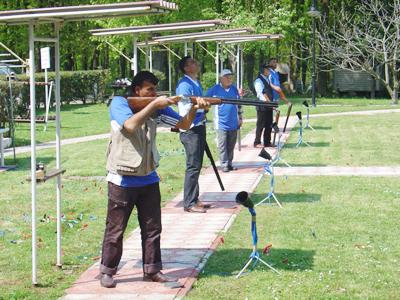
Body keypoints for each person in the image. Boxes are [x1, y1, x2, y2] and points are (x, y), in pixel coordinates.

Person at [100, 71, 209, 288]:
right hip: (122, 178)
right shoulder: (120, 103)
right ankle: (107, 271)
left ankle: (152, 270)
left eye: (155, 90)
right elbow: (129, 126)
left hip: (148, 177)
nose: (154, 94)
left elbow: (183, 125)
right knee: (116, 229)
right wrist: (154, 105)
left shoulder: (155, 107)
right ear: (136, 90)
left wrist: (196, 108)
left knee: (152, 229)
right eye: (149, 90)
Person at [176, 56, 211, 213]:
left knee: (196, 165)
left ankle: (194, 199)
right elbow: (187, 107)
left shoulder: (195, 83)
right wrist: (201, 106)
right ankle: (189, 203)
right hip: (190, 129)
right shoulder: (184, 85)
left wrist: (206, 108)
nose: (196, 63)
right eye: (191, 62)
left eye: (194, 61)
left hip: (198, 127)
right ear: (185, 68)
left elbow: (199, 105)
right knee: (192, 166)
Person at [206, 69, 243, 172]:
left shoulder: (234, 89)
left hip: (233, 122)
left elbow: (239, 104)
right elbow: (204, 101)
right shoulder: (214, 90)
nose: (229, 79)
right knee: (223, 145)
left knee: (231, 145)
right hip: (220, 123)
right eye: (227, 77)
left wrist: (240, 117)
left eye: (230, 77)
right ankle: (224, 165)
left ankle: (230, 163)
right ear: (221, 78)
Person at [253, 64, 274, 148]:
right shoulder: (258, 80)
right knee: (260, 124)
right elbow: (261, 93)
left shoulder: (267, 79)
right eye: (268, 69)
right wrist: (269, 102)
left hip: (268, 105)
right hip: (262, 105)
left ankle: (267, 142)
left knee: (269, 124)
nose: (269, 70)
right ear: (264, 70)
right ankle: (257, 142)